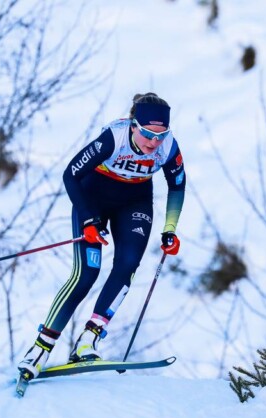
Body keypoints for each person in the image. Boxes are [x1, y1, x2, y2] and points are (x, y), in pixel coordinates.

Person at [17, 92, 186, 381]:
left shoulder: (168, 147)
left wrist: (170, 228)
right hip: (93, 199)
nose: (153, 142)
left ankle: (88, 341)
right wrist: (87, 219)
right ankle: (39, 350)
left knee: (128, 264)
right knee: (87, 274)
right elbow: (71, 174)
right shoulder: (113, 138)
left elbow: (178, 185)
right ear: (134, 125)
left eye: (161, 134)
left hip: (135, 203)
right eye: (147, 133)